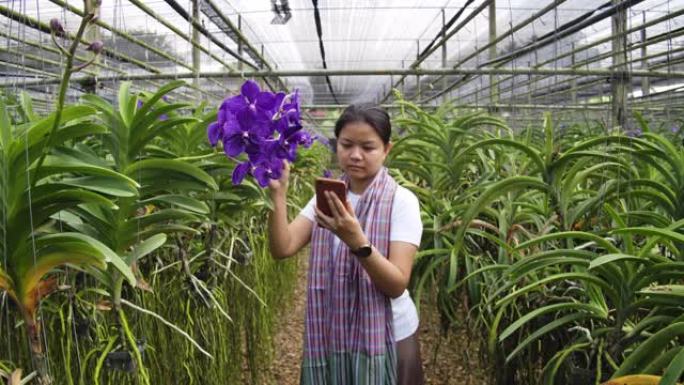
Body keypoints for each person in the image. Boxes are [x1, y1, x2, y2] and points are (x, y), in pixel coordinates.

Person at [267, 104, 424, 385]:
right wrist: (278, 195)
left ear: (387, 149)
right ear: (336, 145)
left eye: (368, 147)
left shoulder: (402, 201)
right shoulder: (325, 198)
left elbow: (397, 284)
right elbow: (283, 247)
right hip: (334, 334)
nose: (355, 155)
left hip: (389, 338)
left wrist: (357, 241)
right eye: (347, 144)